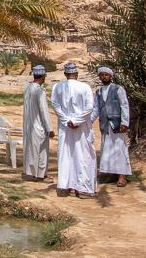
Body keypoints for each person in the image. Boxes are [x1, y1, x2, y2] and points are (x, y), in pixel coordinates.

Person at [51, 62, 97, 198]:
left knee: (68, 155)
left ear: (65, 74)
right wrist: (76, 121)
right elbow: (89, 108)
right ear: (76, 74)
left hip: (66, 128)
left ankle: (70, 186)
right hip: (81, 127)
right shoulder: (85, 87)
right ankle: (82, 188)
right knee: (82, 155)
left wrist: (67, 121)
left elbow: (55, 106)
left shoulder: (57, 87)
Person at [91, 66, 132, 186]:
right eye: (102, 75)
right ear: (99, 77)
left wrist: (125, 122)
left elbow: (124, 105)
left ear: (110, 76)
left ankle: (122, 176)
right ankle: (113, 173)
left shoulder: (118, 89)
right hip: (105, 125)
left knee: (120, 149)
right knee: (108, 149)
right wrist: (89, 122)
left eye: (106, 75)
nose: (104, 77)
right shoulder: (98, 92)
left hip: (117, 125)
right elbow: (96, 109)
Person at [22, 64, 54, 182]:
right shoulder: (40, 91)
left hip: (29, 125)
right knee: (41, 151)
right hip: (38, 126)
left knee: (32, 149)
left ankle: (33, 173)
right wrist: (49, 128)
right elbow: (44, 111)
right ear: (44, 76)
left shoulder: (28, 88)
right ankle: (40, 175)